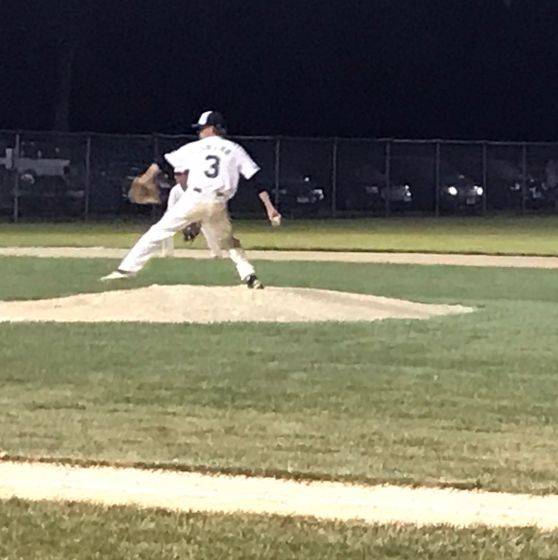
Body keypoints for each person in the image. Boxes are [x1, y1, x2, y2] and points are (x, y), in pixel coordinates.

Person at [101, 111, 281, 289]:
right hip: (219, 203)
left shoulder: (195, 147)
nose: (199, 132)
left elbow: (163, 161)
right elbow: (256, 179)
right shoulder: (235, 149)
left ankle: (126, 269)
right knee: (229, 241)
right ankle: (249, 275)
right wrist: (269, 207)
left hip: (195, 198)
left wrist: (145, 178)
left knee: (158, 231)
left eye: (202, 128)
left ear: (212, 128)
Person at [160, 169, 223, 259]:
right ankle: (167, 253)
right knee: (165, 226)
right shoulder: (175, 190)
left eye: (179, 174)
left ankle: (216, 254)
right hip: (183, 217)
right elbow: (171, 209)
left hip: (200, 215)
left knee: (209, 227)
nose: (176, 177)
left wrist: (195, 223)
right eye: (176, 174)